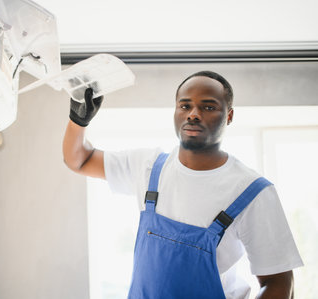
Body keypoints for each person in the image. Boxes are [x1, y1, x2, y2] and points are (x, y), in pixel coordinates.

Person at [62, 71, 303, 298]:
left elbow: (280, 282)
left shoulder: (252, 192)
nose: (193, 114)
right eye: (185, 106)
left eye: (208, 107)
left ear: (229, 116)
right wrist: (78, 121)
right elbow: (79, 160)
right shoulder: (147, 167)